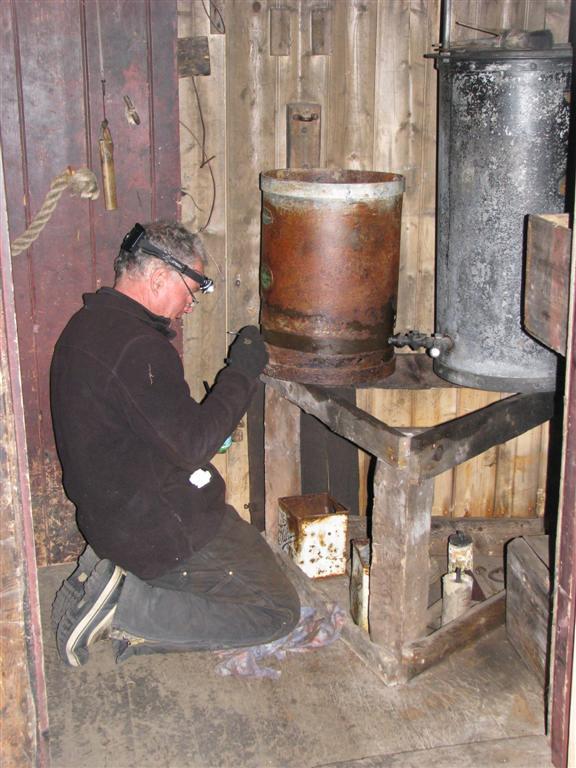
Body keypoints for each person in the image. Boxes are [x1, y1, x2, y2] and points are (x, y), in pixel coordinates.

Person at [50, 221, 300, 666]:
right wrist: (241, 371)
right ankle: (125, 606)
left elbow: (158, 431)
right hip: (157, 531)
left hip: (118, 515)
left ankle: (109, 571)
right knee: (278, 610)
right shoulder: (137, 348)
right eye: (191, 289)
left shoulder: (88, 326)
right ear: (159, 276)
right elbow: (192, 445)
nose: (190, 305)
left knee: (257, 558)